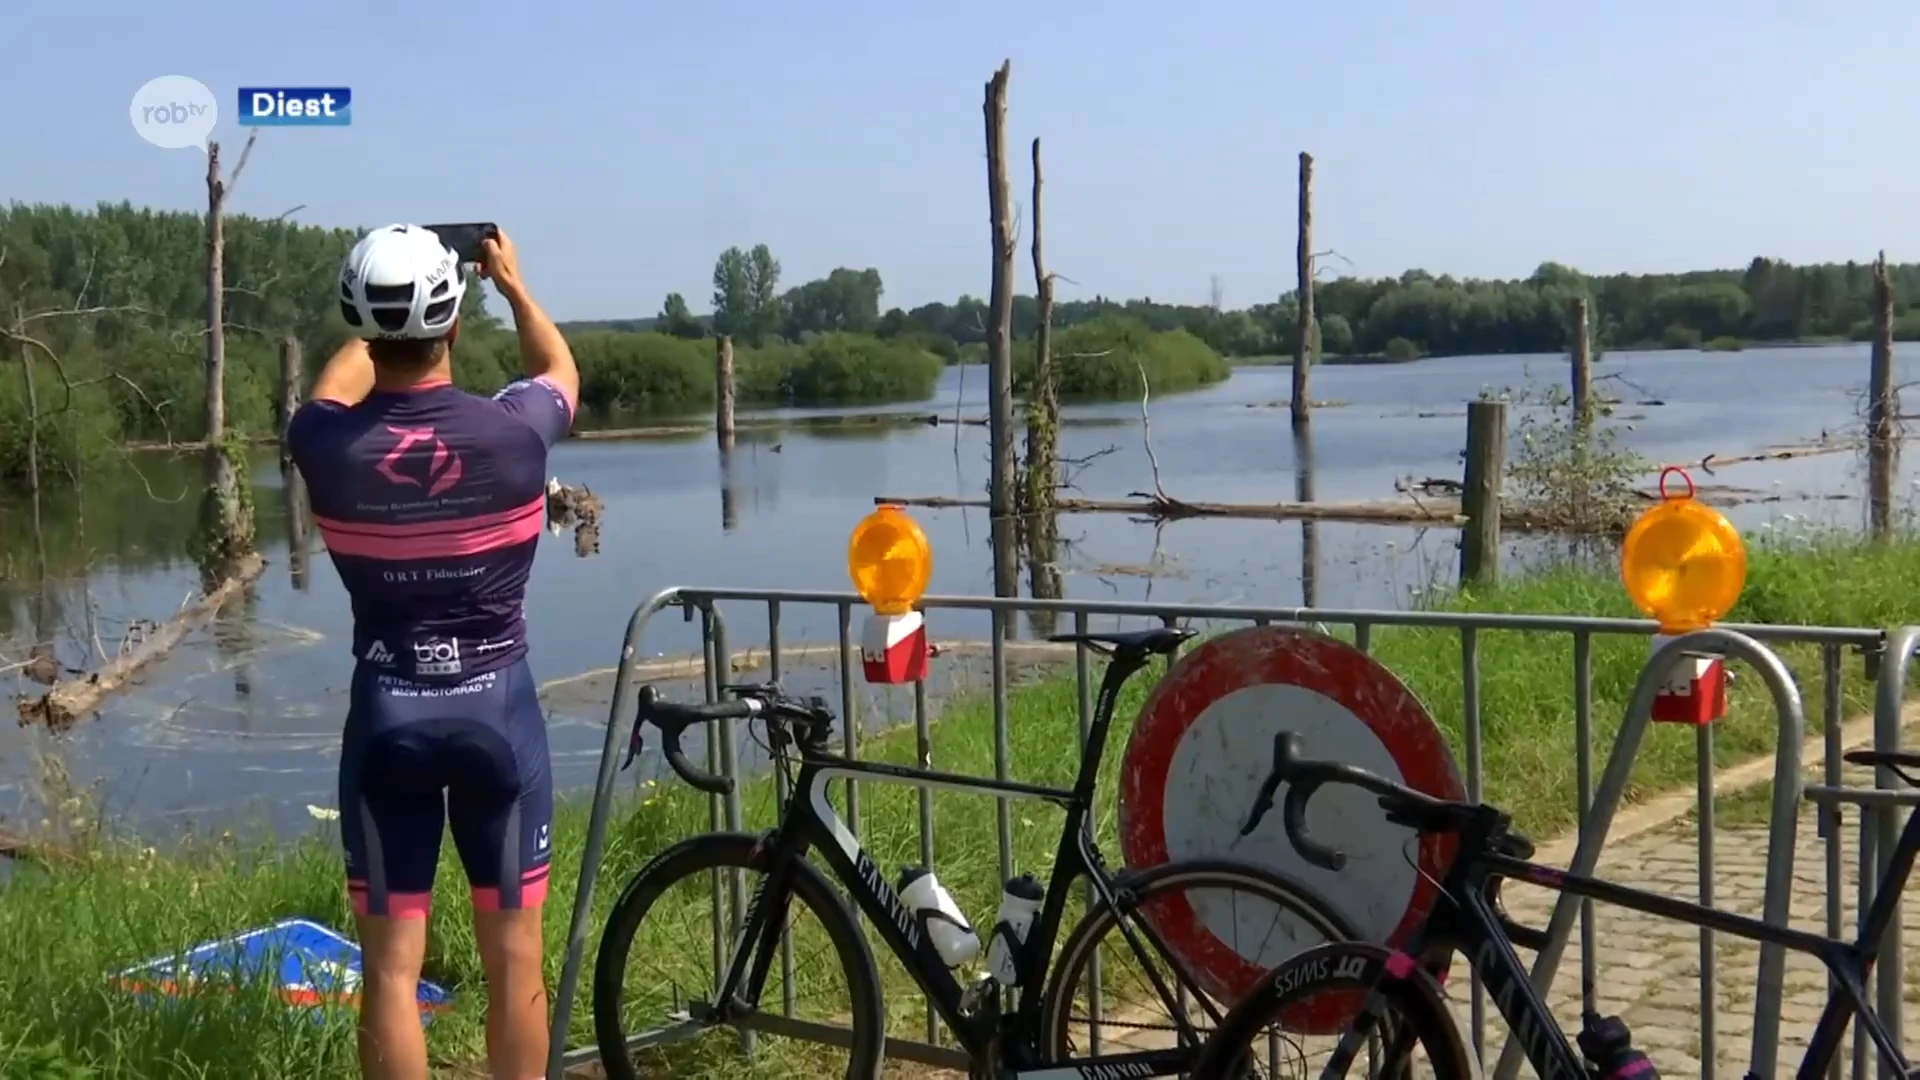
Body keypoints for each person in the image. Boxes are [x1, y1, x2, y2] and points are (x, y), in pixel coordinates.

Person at [287, 223, 578, 1080]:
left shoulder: (325, 447)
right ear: (454, 322)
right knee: (517, 959)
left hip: (386, 715)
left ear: (365, 325)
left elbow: (336, 387)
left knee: (389, 970)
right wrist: (513, 285)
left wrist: (375, 312)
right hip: (499, 710)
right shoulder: (515, 433)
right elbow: (559, 372)